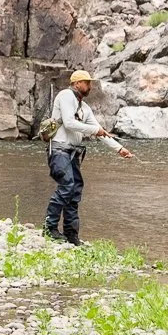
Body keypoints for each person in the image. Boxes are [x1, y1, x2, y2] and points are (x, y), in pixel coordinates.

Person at [44, 69, 130, 244]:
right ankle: (49, 227)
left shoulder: (85, 108)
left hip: (73, 153)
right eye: (87, 82)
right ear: (77, 84)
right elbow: (68, 122)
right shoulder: (66, 95)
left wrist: (119, 149)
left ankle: (71, 234)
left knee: (74, 191)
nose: (90, 86)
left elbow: (100, 132)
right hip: (59, 151)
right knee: (67, 186)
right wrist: (94, 130)